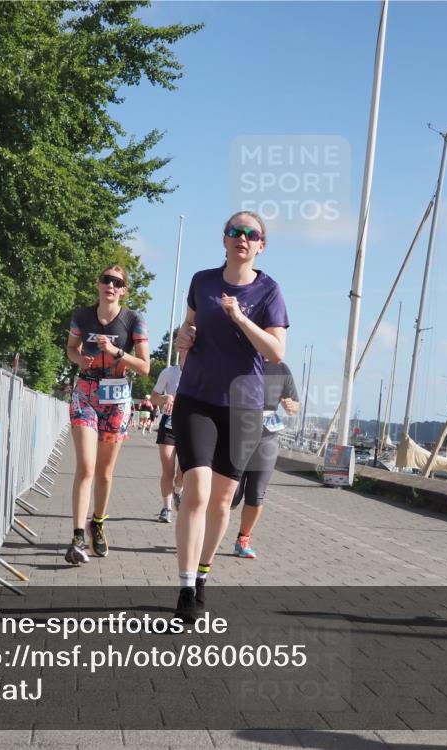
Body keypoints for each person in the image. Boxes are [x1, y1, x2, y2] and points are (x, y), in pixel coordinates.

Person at [172, 211, 288, 621]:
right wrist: (183, 337)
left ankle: (204, 573)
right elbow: (187, 330)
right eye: (234, 232)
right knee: (197, 491)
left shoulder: (269, 291)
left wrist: (240, 317)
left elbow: (276, 352)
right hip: (197, 397)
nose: (242, 238)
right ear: (224, 240)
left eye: (250, 234)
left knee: (222, 501)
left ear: (260, 245)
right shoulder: (202, 281)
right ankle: (186, 589)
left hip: (243, 406)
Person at [65, 265, 150, 563]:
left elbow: (145, 366)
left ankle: (97, 524)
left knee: (104, 472)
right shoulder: (82, 316)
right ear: (98, 285)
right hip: (86, 394)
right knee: (86, 467)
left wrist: (116, 352)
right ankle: (77, 537)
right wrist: (81, 360)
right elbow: (71, 349)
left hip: (116, 399)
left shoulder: (133, 321)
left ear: (124, 290)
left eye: (117, 282)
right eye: (106, 280)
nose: (110, 286)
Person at [229, 360, 300, 558]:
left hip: (267, 436)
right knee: (231, 494)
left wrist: (291, 405)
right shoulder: (242, 359)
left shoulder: (282, 369)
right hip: (238, 432)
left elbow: (295, 406)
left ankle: (243, 539)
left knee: (257, 492)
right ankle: (209, 531)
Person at [151, 362, 184, 523]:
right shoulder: (169, 372)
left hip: (191, 426)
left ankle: (178, 491)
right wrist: (166, 397)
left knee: (182, 473)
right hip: (169, 423)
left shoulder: (202, 371)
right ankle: (166, 508)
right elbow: (153, 398)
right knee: (168, 471)